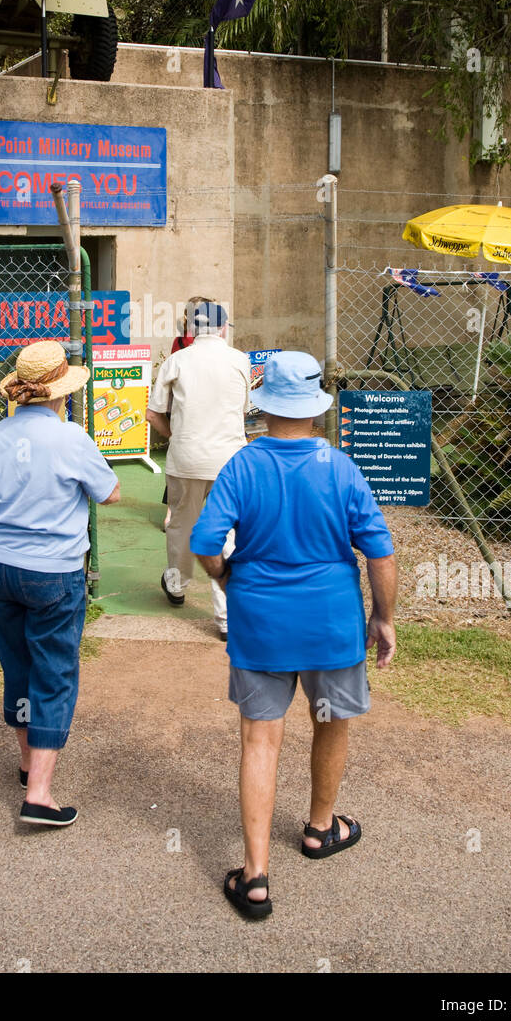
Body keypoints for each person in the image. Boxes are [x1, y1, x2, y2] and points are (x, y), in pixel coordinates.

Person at [190, 350, 397, 919]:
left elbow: (205, 545)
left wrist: (229, 579)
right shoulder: (341, 467)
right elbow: (379, 550)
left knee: (260, 739)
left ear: (263, 404)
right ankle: (320, 829)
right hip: (330, 623)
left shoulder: (241, 466)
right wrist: (383, 617)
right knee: (330, 719)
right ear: (316, 407)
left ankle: (255, 876)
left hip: (261, 622)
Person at [0, 340, 120, 829]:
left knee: (17, 663)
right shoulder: (71, 437)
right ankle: (39, 794)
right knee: (54, 670)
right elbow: (111, 493)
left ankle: (25, 763)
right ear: (61, 393)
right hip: (51, 569)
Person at [146, 301, 250, 638]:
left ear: (191, 328)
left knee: (182, 523)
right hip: (230, 460)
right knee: (229, 533)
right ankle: (226, 618)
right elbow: (243, 411)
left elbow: (153, 414)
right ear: (223, 328)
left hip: (187, 456)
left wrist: (174, 436)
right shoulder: (240, 361)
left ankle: (177, 585)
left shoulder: (177, 360)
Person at [162, 294, 216, 529]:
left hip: (180, 407)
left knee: (180, 456)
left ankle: (172, 513)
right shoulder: (207, 341)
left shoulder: (180, 341)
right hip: (200, 407)